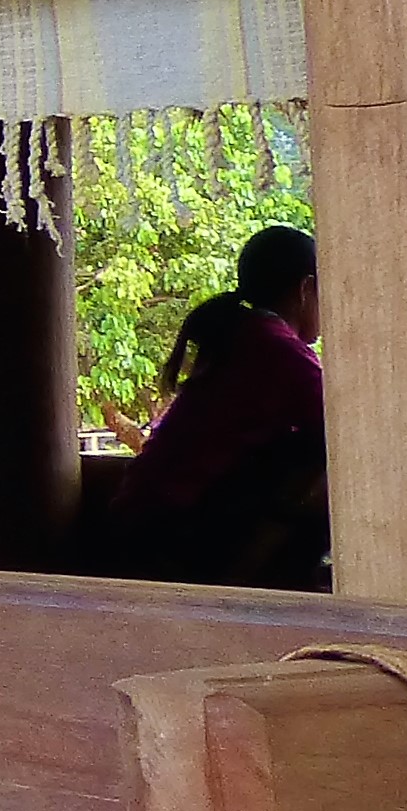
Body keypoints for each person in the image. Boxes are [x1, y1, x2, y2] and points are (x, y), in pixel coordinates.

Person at [105, 224, 329, 588]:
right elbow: (345, 429)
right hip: (166, 535)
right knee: (319, 456)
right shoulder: (272, 347)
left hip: (142, 524)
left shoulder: (246, 335)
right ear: (305, 290)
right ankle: (243, 587)